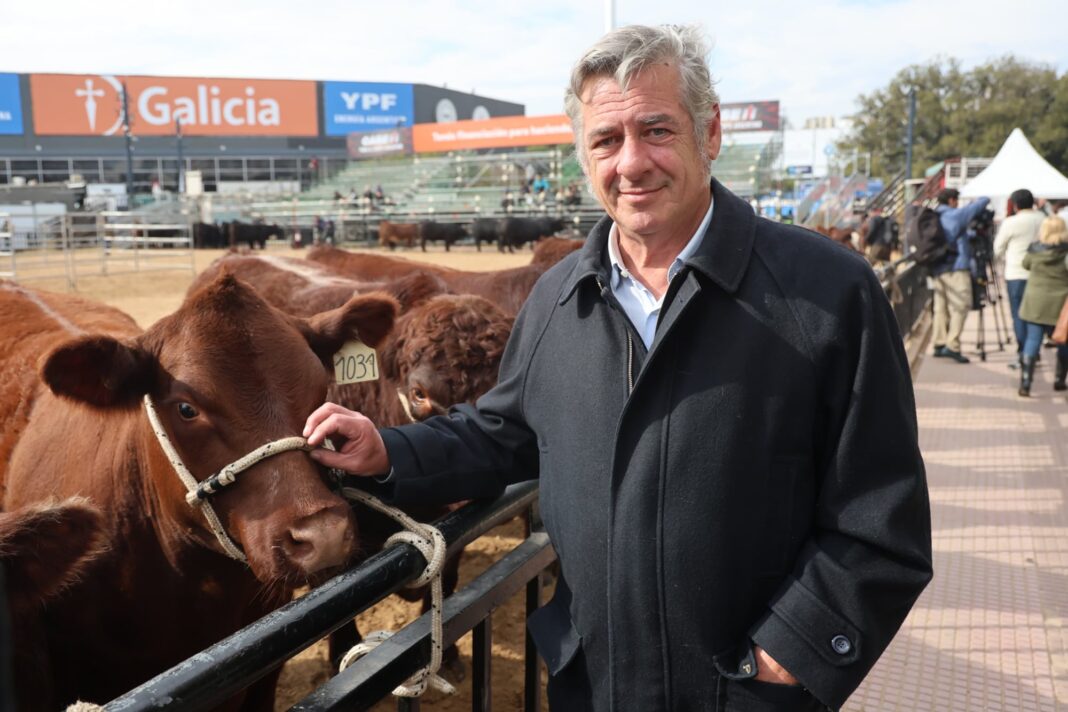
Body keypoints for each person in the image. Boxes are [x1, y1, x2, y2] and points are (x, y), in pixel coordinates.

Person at [304, 24, 931, 712]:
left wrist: (795, 653)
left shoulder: (827, 293)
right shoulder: (559, 297)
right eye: (606, 140)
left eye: (656, 130)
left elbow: (880, 521)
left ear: (710, 133)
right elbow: (502, 432)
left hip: (745, 690)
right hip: (592, 683)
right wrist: (386, 448)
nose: (631, 163)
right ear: (584, 155)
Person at [929, 188, 991, 364]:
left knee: (941, 308)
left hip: (938, 268)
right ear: (951, 200)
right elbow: (982, 203)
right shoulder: (955, 215)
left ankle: (939, 343)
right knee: (962, 305)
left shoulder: (935, 215)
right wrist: (983, 195)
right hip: (956, 268)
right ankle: (952, 345)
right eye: (956, 200)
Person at [1017, 215, 1068, 396]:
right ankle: (1060, 380)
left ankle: (1025, 382)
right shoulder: (1065, 252)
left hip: (1036, 302)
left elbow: (1025, 265)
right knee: (1063, 341)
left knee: (1032, 340)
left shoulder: (1034, 250)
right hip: (1060, 305)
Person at [993, 188, 1045, 367]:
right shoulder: (1044, 220)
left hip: (1015, 274)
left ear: (1015, 205)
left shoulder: (1011, 222)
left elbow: (998, 248)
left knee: (1018, 315)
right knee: (1036, 316)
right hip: (1039, 275)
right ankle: (1033, 350)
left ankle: (1023, 352)